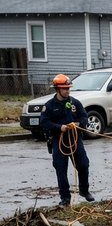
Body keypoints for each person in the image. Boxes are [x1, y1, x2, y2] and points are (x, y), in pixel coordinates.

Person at [39, 74, 95, 206]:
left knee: (83, 165)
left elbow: (84, 117)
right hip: (58, 141)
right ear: (57, 89)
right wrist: (59, 127)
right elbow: (44, 122)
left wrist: (79, 124)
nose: (67, 91)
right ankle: (65, 198)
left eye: (68, 88)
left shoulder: (75, 103)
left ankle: (84, 190)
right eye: (65, 88)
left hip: (75, 140)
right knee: (60, 168)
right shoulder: (49, 106)